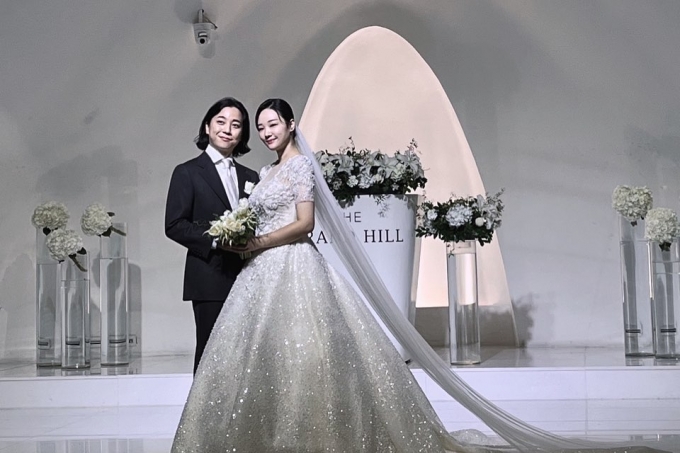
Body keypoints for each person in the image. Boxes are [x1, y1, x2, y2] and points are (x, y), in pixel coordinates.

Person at [171, 99, 672, 453]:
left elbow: (304, 223)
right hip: (255, 275)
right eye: (259, 126)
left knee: (311, 354)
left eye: (270, 124)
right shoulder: (263, 173)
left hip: (290, 266)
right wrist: (242, 239)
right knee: (263, 356)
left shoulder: (300, 167)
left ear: (291, 124)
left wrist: (256, 242)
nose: (264, 132)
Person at [165, 97, 259, 374]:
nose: (227, 129)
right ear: (207, 127)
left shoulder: (251, 175)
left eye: (236, 125)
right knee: (211, 355)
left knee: (246, 357)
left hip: (248, 277)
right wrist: (219, 238)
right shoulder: (187, 172)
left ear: (242, 134)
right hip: (209, 277)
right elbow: (175, 224)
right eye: (221, 122)